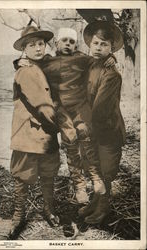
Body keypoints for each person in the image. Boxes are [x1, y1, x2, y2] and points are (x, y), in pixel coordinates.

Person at [15, 27, 118, 205]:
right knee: (70, 142)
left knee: (86, 136)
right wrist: (18, 62)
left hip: (80, 106)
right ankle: (79, 184)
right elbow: (31, 64)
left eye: (71, 42)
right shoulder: (47, 61)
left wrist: (111, 57)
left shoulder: (82, 59)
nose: (68, 44)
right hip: (61, 109)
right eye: (64, 41)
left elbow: (98, 61)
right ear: (56, 43)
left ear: (76, 44)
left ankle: (95, 176)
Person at [9, 26, 60, 239]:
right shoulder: (27, 71)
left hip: (46, 133)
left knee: (48, 174)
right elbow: (42, 105)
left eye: (41, 44)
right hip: (28, 133)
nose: (38, 48)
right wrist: (64, 128)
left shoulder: (45, 65)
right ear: (24, 50)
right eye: (32, 45)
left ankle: (49, 210)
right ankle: (18, 216)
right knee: (23, 176)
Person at [78, 20, 126, 225]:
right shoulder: (86, 66)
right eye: (96, 43)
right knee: (91, 165)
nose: (98, 48)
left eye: (104, 44)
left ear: (111, 48)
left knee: (105, 170)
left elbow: (100, 108)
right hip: (88, 127)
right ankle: (96, 201)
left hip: (107, 129)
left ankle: (103, 207)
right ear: (90, 43)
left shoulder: (112, 74)